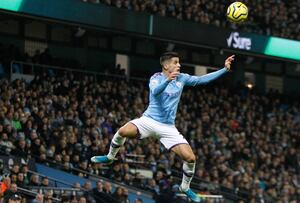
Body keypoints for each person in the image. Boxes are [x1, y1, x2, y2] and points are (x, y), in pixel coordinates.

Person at [91, 52, 235, 202]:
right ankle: (110, 157)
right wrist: (167, 81)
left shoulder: (182, 78)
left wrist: (224, 69)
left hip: (168, 127)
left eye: (179, 62)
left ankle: (185, 187)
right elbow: (155, 91)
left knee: (191, 158)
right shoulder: (156, 78)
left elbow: (201, 80)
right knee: (123, 131)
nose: (179, 65)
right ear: (166, 65)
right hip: (149, 120)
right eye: (175, 62)